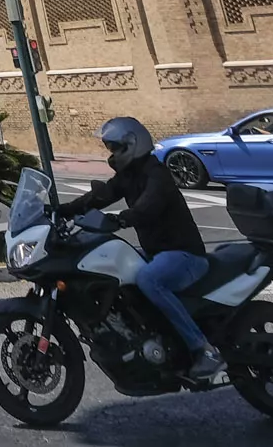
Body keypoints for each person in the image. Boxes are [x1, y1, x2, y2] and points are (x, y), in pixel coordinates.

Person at [68, 116, 220, 383]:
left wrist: (122, 218)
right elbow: (98, 197)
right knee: (116, 272)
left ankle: (203, 350)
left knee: (148, 279)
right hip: (155, 253)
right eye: (109, 148)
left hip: (186, 255)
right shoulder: (128, 175)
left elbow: (148, 207)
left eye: (115, 147)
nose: (112, 154)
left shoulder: (157, 174)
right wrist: (59, 211)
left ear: (132, 144)